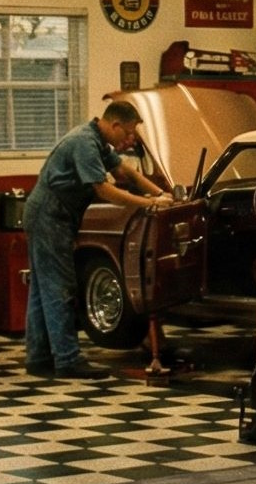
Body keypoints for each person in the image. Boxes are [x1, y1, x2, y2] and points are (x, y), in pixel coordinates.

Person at [24, 99, 168, 378]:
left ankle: (39, 358)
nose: (129, 141)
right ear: (113, 125)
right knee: (60, 287)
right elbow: (103, 190)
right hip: (49, 215)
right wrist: (146, 203)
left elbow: (125, 172)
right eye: (127, 134)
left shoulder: (99, 142)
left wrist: (161, 194)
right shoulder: (85, 143)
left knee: (43, 289)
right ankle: (67, 361)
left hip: (49, 214)